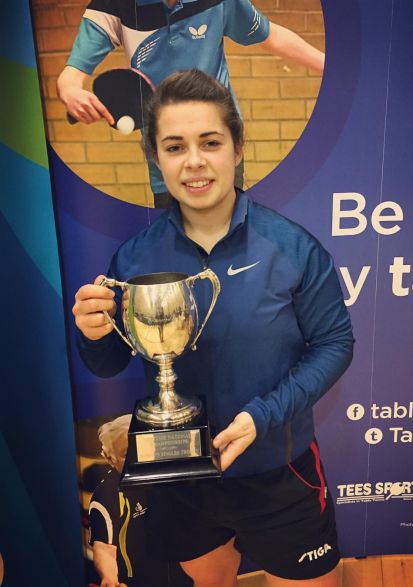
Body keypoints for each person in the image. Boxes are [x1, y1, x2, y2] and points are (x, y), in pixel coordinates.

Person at [73, 69, 354, 586]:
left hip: (278, 468)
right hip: (181, 480)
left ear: (237, 148)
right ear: (157, 160)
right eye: (175, 147)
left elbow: (335, 344)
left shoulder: (291, 247)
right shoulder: (135, 257)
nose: (195, 162)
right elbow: (110, 360)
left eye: (210, 142)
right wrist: (92, 334)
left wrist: (261, 417)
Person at [57, 0, 325, 204]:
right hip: (166, 149)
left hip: (218, 139)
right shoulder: (114, 5)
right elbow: (71, 75)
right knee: (178, 243)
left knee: (228, 236)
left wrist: (330, 66)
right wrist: (70, 89)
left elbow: (271, 36)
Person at [89, 415, 193, 587]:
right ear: (110, 458)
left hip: (182, 575)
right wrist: (110, 578)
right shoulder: (107, 494)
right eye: (125, 453)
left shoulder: (168, 473)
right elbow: (105, 549)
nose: (137, 458)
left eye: (141, 447)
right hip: (137, 581)